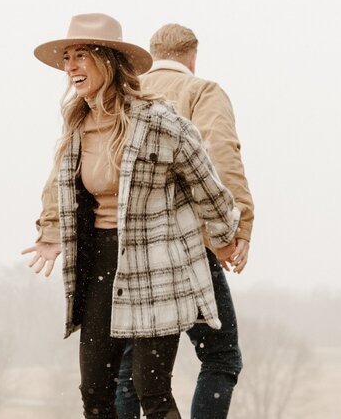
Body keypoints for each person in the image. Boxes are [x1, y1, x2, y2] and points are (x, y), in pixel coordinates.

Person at [21, 13, 241, 419]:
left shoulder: (158, 121)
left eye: (81, 55)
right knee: (95, 392)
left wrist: (225, 237)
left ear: (109, 60)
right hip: (101, 262)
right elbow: (59, 184)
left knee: (150, 390)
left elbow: (207, 182)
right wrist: (50, 233)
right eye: (67, 57)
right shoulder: (77, 125)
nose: (70, 66)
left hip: (156, 262)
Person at [116, 23, 254, 419]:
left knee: (128, 369)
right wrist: (233, 231)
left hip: (132, 252)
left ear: (152, 53)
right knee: (221, 356)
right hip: (186, 245)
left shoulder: (126, 96)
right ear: (192, 57)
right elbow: (221, 156)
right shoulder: (201, 92)